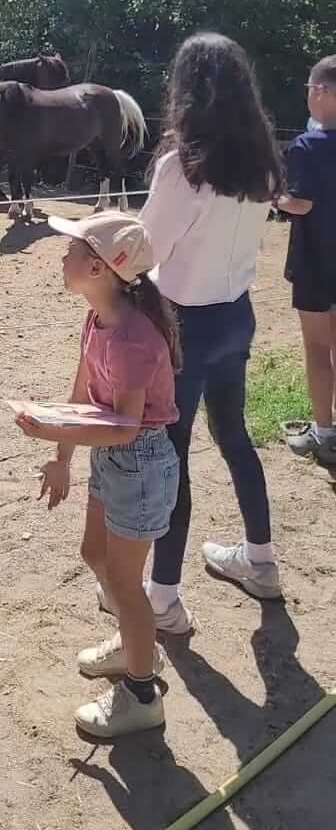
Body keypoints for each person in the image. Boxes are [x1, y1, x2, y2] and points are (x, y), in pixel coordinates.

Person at [15, 211, 180, 739]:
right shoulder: (98, 319)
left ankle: (140, 693)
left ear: (100, 269)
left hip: (139, 462)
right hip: (109, 457)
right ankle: (136, 643)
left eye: (71, 251)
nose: (61, 257)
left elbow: (128, 429)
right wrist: (61, 457)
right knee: (94, 555)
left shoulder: (133, 338)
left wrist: (49, 436)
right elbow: (82, 395)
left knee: (127, 583)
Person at [140, 32, 283, 632]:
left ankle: (164, 596)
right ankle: (261, 561)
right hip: (236, 313)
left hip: (186, 324)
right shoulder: (260, 163)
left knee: (174, 458)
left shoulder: (182, 167)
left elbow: (145, 248)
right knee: (233, 435)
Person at [277, 55, 336, 466]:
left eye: (310, 89)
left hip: (317, 260)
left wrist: (273, 197)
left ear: (322, 92)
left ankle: (324, 433)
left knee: (317, 347)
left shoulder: (307, 145)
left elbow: (300, 203)